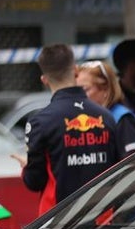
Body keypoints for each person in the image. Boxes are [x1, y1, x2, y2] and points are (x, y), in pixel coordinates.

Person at [19, 44, 120, 215]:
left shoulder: (40, 121)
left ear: (44, 80)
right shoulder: (106, 116)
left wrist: (26, 168)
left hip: (58, 221)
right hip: (102, 217)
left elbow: (34, 181)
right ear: (75, 71)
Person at [77, 60, 135, 156]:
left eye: (85, 90)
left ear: (105, 88)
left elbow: (134, 161)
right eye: (77, 91)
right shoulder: (85, 120)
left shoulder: (122, 119)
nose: (79, 96)